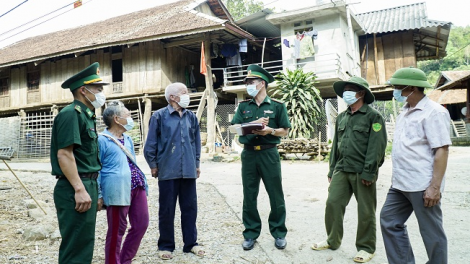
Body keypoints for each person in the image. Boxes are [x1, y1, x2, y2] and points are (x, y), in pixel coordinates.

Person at [311, 76, 387, 263]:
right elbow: (336, 144)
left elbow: (377, 147)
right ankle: (332, 240)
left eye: (351, 89)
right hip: (342, 169)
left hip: (363, 171)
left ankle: (366, 248)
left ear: (361, 93)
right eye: (345, 89)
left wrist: (370, 171)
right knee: (332, 204)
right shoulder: (342, 117)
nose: (346, 93)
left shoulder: (373, 117)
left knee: (365, 211)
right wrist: (331, 170)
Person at [381, 67, 451, 264]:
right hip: (400, 183)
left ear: (411, 88)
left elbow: (441, 151)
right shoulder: (405, 111)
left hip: (422, 184)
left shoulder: (434, 112)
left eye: (397, 87)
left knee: (431, 233)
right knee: (389, 221)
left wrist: (434, 187)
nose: (394, 91)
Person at [50, 62, 108, 263]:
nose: (101, 93)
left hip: (86, 184)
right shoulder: (71, 114)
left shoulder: (86, 115)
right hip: (75, 186)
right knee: (75, 247)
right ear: (84, 90)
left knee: (84, 242)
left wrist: (94, 191)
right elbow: (64, 155)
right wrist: (79, 189)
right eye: (98, 89)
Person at [230, 65, 291, 251]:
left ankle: (279, 233)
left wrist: (269, 130)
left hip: (268, 153)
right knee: (249, 195)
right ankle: (250, 233)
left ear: (262, 83)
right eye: (247, 82)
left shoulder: (277, 106)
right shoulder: (243, 107)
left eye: (251, 82)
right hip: (249, 154)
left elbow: (284, 131)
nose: (248, 85)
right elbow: (234, 127)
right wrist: (250, 125)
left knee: (275, 194)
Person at [144, 82, 204, 260]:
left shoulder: (191, 116)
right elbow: (151, 144)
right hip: (167, 170)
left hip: (188, 170)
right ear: (172, 97)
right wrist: (153, 165)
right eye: (184, 93)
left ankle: (191, 243)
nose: (188, 95)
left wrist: (197, 163)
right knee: (167, 210)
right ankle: (166, 245)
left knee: (190, 208)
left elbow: (196, 142)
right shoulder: (159, 117)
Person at [97, 100, 149, 264]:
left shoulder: (127, 139)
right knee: (116, 230)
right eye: (128, 115)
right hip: (116, 189)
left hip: (136, 184)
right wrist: (99, 194)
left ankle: (125, 259)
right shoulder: (101, 140)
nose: (131, 118)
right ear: (116, 119)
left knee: (141, 223)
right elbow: (96, 168)